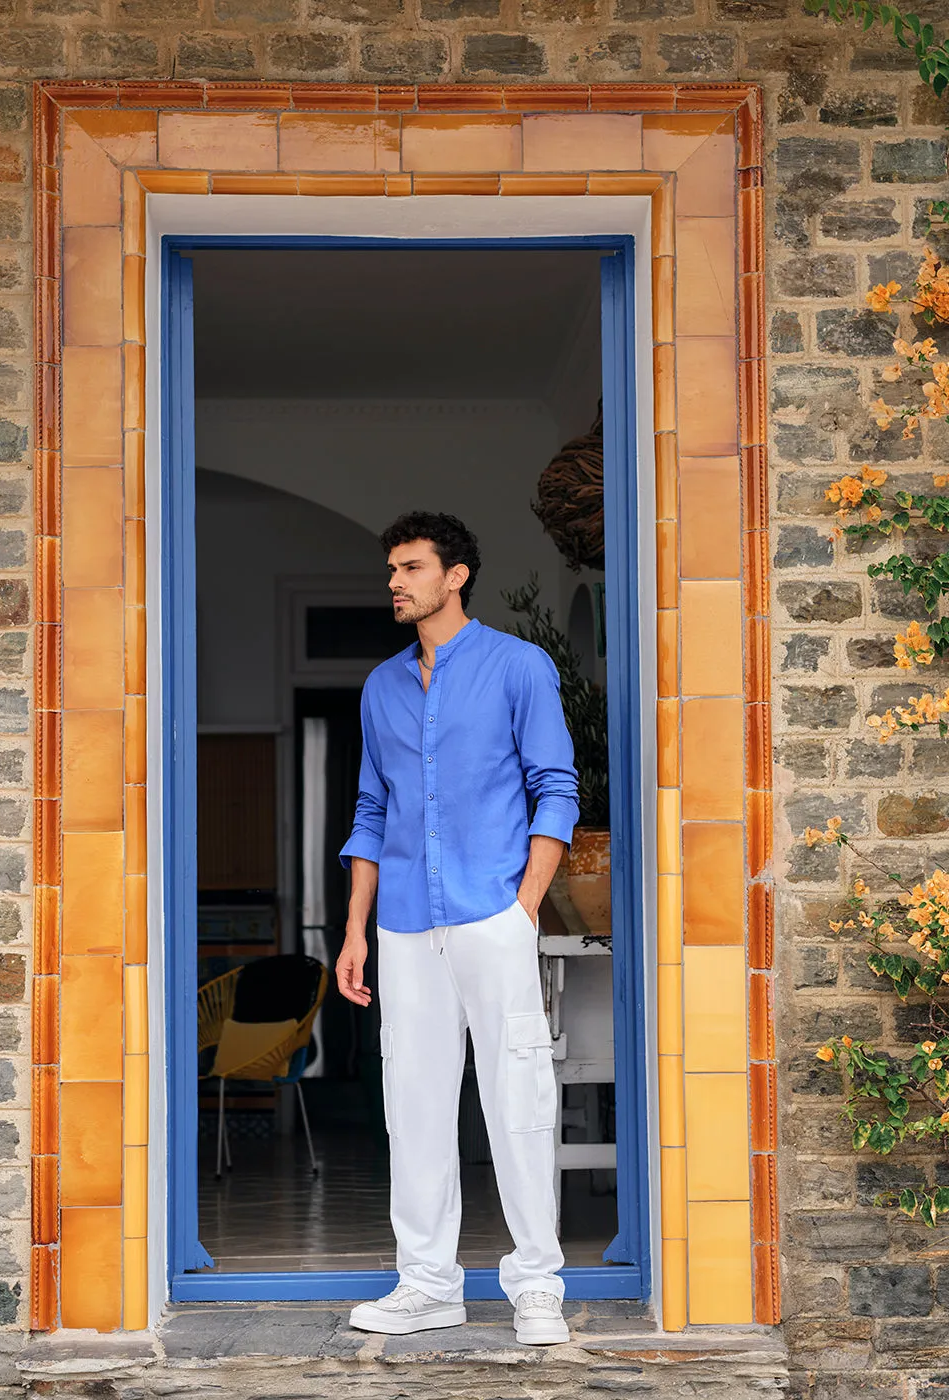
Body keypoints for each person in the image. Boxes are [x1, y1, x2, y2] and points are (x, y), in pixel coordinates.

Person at [337, 511, 579, 1346]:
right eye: (392, 571)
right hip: (403, 924)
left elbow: (556, 789)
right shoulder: (381, 688)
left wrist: (523, 907)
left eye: (410, 568)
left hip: (492, 914)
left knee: (518, 1100)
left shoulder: (520, 668)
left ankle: (537, 1287)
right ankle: (428, 1284)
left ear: (456, 575)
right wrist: (355, 932)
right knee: (415, 1104)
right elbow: (372, 811)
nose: (396, 583)